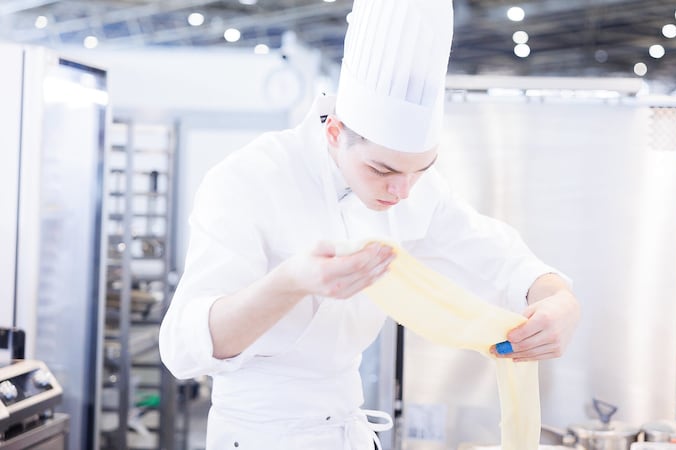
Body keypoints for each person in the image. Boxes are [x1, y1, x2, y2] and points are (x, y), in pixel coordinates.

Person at [159, 0, 580, 448]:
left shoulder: (417, 189)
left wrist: (560, 301)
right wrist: (292, 282)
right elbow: (184, 349)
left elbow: (501, 260)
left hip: (350, 432)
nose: (403, 192)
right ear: (335, 132)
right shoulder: (248, 179)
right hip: (258, 435)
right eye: (383, 171)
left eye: (421, 169)